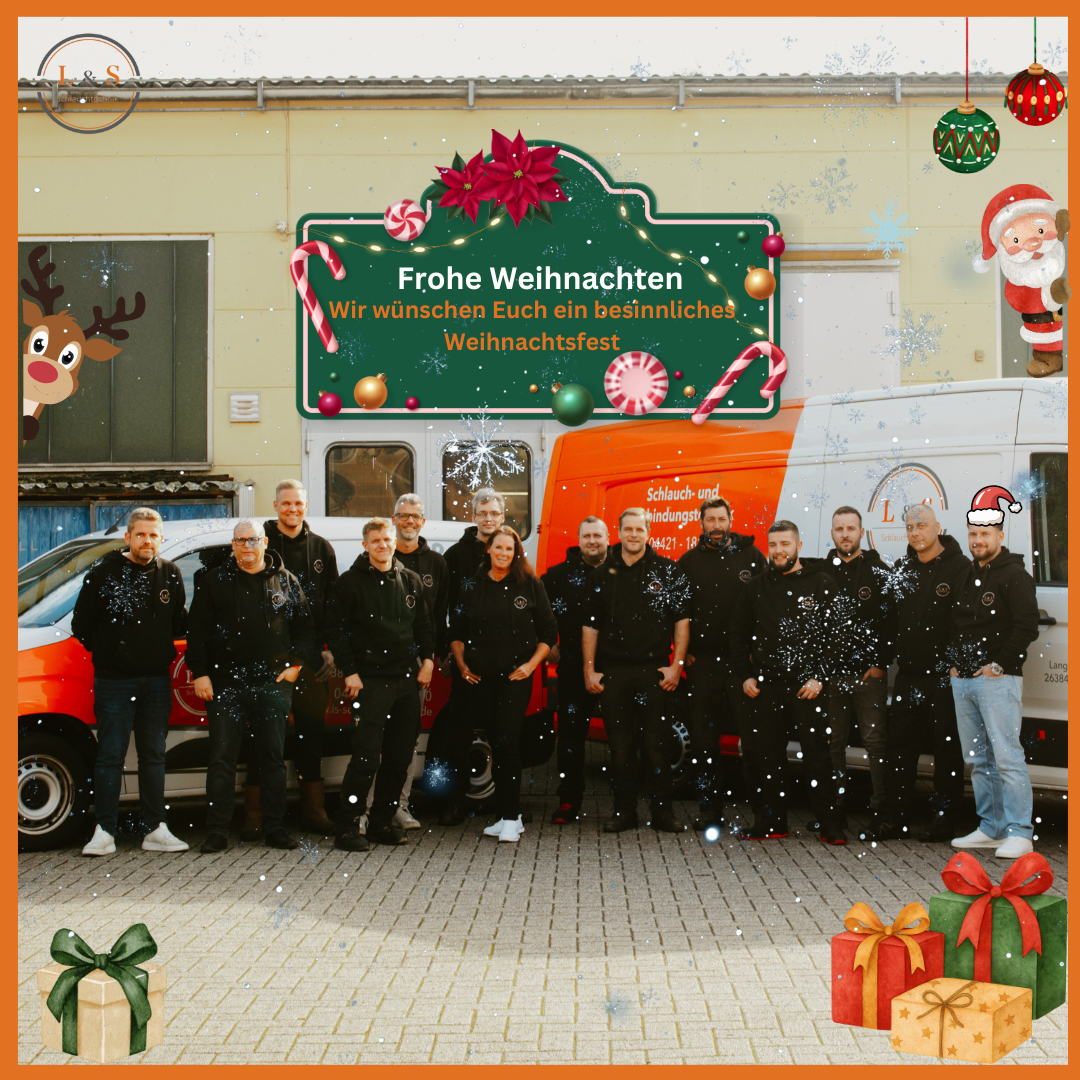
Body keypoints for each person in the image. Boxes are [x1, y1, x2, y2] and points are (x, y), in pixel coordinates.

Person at [187, 519, 318, 853]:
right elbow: (197, 632)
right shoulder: (213, 582)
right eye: (241, 541)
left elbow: (305, 628)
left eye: (254, 540)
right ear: (233, 545)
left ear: (264, 542)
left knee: (272, 758)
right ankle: (217, 831)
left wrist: (295, 666)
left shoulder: (286, 581)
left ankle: (275, 828)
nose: (248, 546)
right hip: (225, 683)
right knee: (222, 758)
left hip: (273, 683)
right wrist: (200, 672)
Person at [72, 508, 189, 856]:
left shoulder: (170, 573)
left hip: (156, 681)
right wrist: (113, 653)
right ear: (128, 538)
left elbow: (178, 621)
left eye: (153, 535)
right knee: (110, 756)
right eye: (141, 535)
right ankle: (104, 830)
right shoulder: (103, 573)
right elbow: (82, 625)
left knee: (154, 755)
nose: (147, 541)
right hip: (114, 682)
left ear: (160, 538)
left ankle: (155, 828)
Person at [728, 520, 845, 844]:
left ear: (798, 546)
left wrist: (820, 676)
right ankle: (771, 822)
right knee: (766, 758)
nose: (778, 550)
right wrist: (745, 675)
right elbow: (737, 633)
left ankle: (829, 824)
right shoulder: (755, 587)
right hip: (765, 688)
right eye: (773, 545)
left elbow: (837, 635)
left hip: (808, 688)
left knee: (818, 758)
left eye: (785, 544)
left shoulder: (822, 583)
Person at [326, 517, 435, 851]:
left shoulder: (410, 580)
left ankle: (381, 824)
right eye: (376, 541)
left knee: (399, 758)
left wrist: (428, 660)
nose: (383, 545)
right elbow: (336, 632)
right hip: (369, 682)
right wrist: (350, 671)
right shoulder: (349, 583)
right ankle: (347, 828)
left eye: (387, 539)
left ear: (394, 542)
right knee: (366, 758)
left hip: (406, 681)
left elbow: (424, 625)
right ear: (365, 545)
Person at [582, 508, 691, 834]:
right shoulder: (601, 575)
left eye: (639, 529)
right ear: (619, 532)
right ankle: (624, 811)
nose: (633, 534)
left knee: (657, 747)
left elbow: (682, 621)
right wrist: (589, 669)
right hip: (614, 672)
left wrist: (676, 666)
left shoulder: (669, 571)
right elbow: (590, 626)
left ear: (648, 532)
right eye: (627, 529)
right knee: (620, 748)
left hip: (654, 672)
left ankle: (662, 813)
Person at [241, 480, 339, 837]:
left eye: (298, 503)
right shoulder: (259, 541)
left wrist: (329, 648)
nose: (292, 509)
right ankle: (255, 815)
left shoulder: (321, 548)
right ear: (275, 506)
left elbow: (333, 603)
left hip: (311, 659)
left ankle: (313, 812)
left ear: (306, 505)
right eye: (286, 503)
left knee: (311, 736)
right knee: (263, 738)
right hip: (268, 659)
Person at [948, 488, 1040, 859]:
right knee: (978, 760)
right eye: (973, 534)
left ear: (1000, 536)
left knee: (1007, 758)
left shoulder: (1015, 575)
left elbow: (1027, 625)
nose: (978, 540)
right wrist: (954, 664)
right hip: (964, 680)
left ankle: (1020, 832)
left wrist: (999, 664)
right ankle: (992, 828)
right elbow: (954, 624)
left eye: (985, 534)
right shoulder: (966, 574)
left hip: (998, 680)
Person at [450, 526, 558, 842]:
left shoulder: (530, 584)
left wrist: (530, 665)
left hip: (515, 679)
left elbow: (549, 632)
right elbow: (456, 630)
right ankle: (506, 814)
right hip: (480, 679)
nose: (503, 553)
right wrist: (461, 663)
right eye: (498, 547)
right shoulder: (471, 585)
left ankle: (510, 818)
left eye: (509, 549)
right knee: (496, 743)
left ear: (516, 552)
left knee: (507, 743)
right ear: (488, 549)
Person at [872, 505, 970, 843]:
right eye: (910, 527)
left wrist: (958, 663)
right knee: (899, 748)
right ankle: (894, 818)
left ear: (937, 527)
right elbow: (889, 621)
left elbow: (966, 623)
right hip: (908, 675)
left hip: (945, 678)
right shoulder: (902, 568)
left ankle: (943, 820)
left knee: (947, 751)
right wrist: (881, 660)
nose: (915, 532)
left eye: (922, 525)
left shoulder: (960, 568)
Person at [677, 496, 766, 833]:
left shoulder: (752, 556)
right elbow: (677, 611)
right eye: (710, 520)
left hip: (742, 666)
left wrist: (757, 654)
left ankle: (762, 813)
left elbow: (767, 606)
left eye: (721, 519)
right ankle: (709, 811)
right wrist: (684, 652)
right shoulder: (688, 562)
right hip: (703, 666)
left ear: (731, 520)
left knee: (753, 741)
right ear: (701, 523)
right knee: (704, 743)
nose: (716, 526)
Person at [814, 507, 895, 829]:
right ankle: (835, 810)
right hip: (830, 677)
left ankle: (880, 810)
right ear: (832, 534)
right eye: (839, 529)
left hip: (867, 676)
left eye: (850, 528)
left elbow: (892, 621)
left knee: (875, 743)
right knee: (832, 744)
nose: (845, 534)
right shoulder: (820, 574)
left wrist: (880, 663)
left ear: (862, 532)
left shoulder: (879, 571)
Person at [433, 489, 507, 825]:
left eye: (494, 513)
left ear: (502, 516)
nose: (488, 518)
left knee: (502, 734)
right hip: (467, 659)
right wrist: (444, 651)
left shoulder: (511, 551)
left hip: (503, 660)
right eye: (482, 513)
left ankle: (506, 805)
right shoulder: (455, 555)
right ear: (473, 516)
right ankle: (456, 803)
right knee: (459, 735)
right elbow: (442, 608)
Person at [540, 516, 614, 824]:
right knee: (570, 738)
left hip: (616, 668)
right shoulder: (558, 576)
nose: (592, 541)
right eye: (587, 536)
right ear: (579, 539)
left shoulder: (622, 570)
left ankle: (625, 804)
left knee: (623, 738)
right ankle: (569, 800)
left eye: (598, 535)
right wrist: (546, 644)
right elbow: (532, 608)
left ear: (608, 538)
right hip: (572, 668)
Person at [383, 493, 449, 830]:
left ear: (423, 521)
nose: (409, 521)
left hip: (417, 666)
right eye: (403, 515)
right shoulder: (380, 553)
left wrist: (434, 657)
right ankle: (371, 807)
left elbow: (438, 616)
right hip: (379, 667)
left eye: (415, 516)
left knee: (407, 738)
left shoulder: (436, 563)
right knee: (377, 739)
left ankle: (400, 805)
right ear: (393, 519)